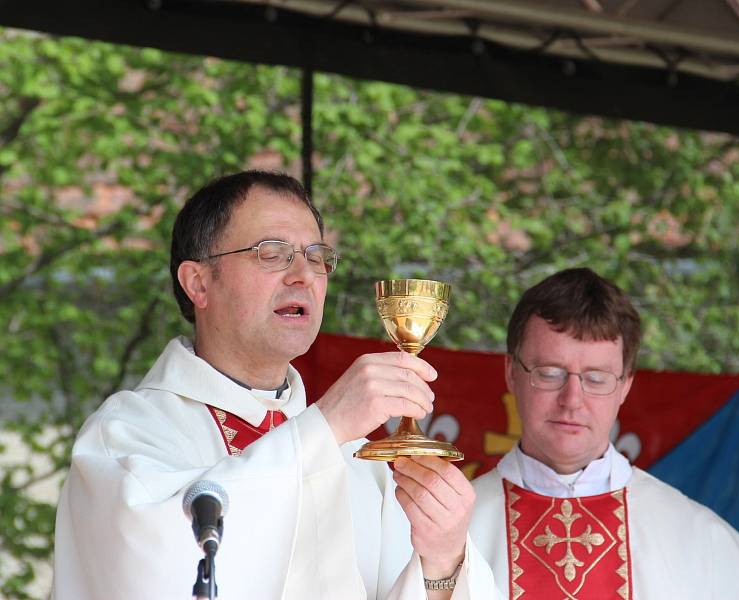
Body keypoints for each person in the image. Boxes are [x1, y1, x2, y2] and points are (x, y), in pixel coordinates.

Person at [52, 170, 496, 599]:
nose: (303, 275)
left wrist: (442, 564)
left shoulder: (358, 462)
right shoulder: (128, 434)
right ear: (198, 282)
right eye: (272, 252)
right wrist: (328, 424)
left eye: (316, 257)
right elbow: (150, 565)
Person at [468, 267, 739, 599]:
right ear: (511, 373)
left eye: (596, 378)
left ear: (625, 385)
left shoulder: (708, 547)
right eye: (550, 373)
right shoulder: (452, 535)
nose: (572, 400)